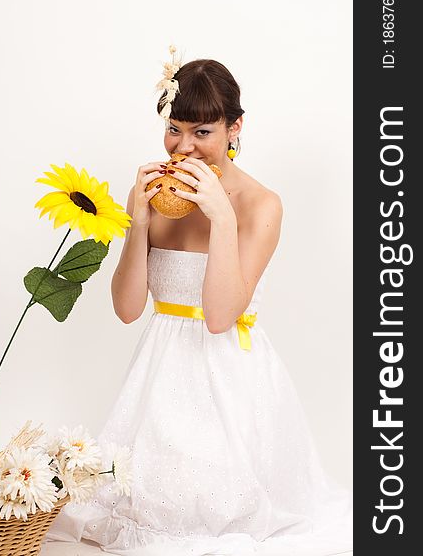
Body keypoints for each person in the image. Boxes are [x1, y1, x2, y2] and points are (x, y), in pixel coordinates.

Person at [45, 49, 352, 555]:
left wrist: (223, 221)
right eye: (174, 129)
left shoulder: (261, 204)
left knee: (212, 508)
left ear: (235, 129)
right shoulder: (155, 197)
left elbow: (220, 317)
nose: (183, 148)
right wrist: (138, 222)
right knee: (138, 500)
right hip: (158, 371)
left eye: (202, 132)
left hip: (230, 375)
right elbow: (126, 309)